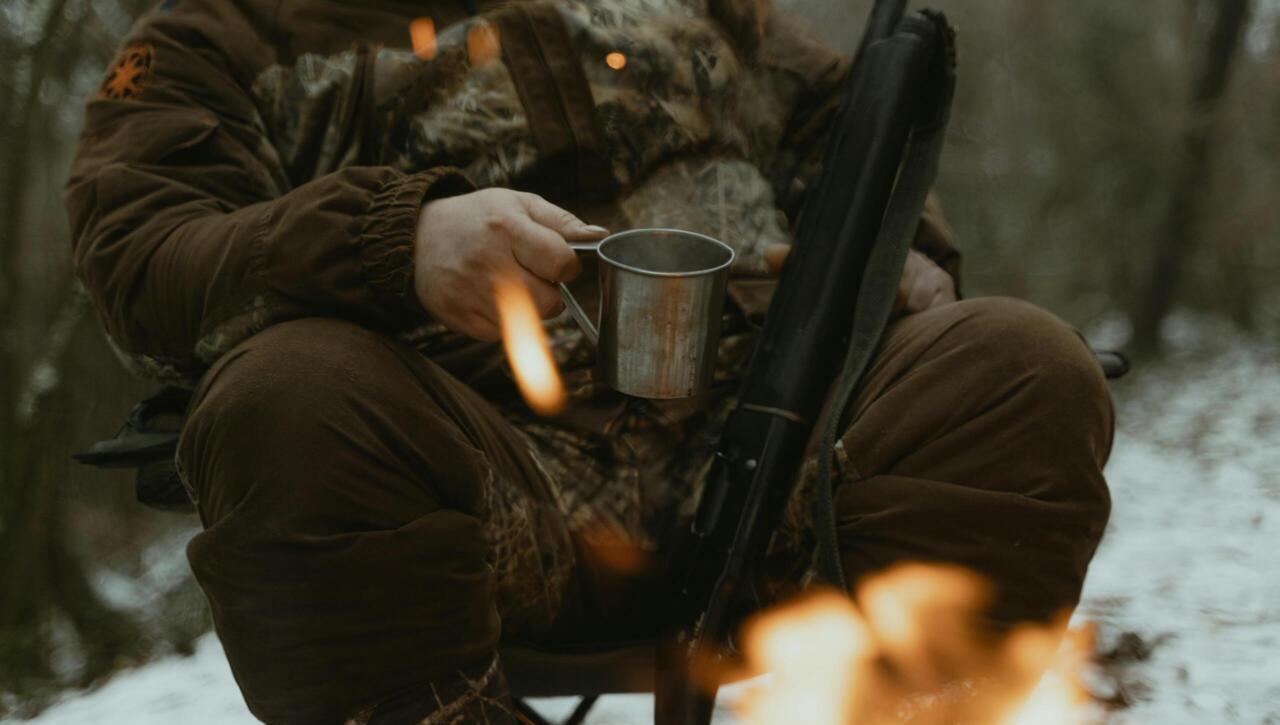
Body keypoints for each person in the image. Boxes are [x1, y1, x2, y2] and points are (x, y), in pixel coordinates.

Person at [65, 0, 1113, 722]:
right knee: (284, 402)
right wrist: (394, 242)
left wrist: (907, 253)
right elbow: (142, 257)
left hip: (789, 448)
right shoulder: (214, 38)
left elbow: (841, 117)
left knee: (1018, 365)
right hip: (485, 489)